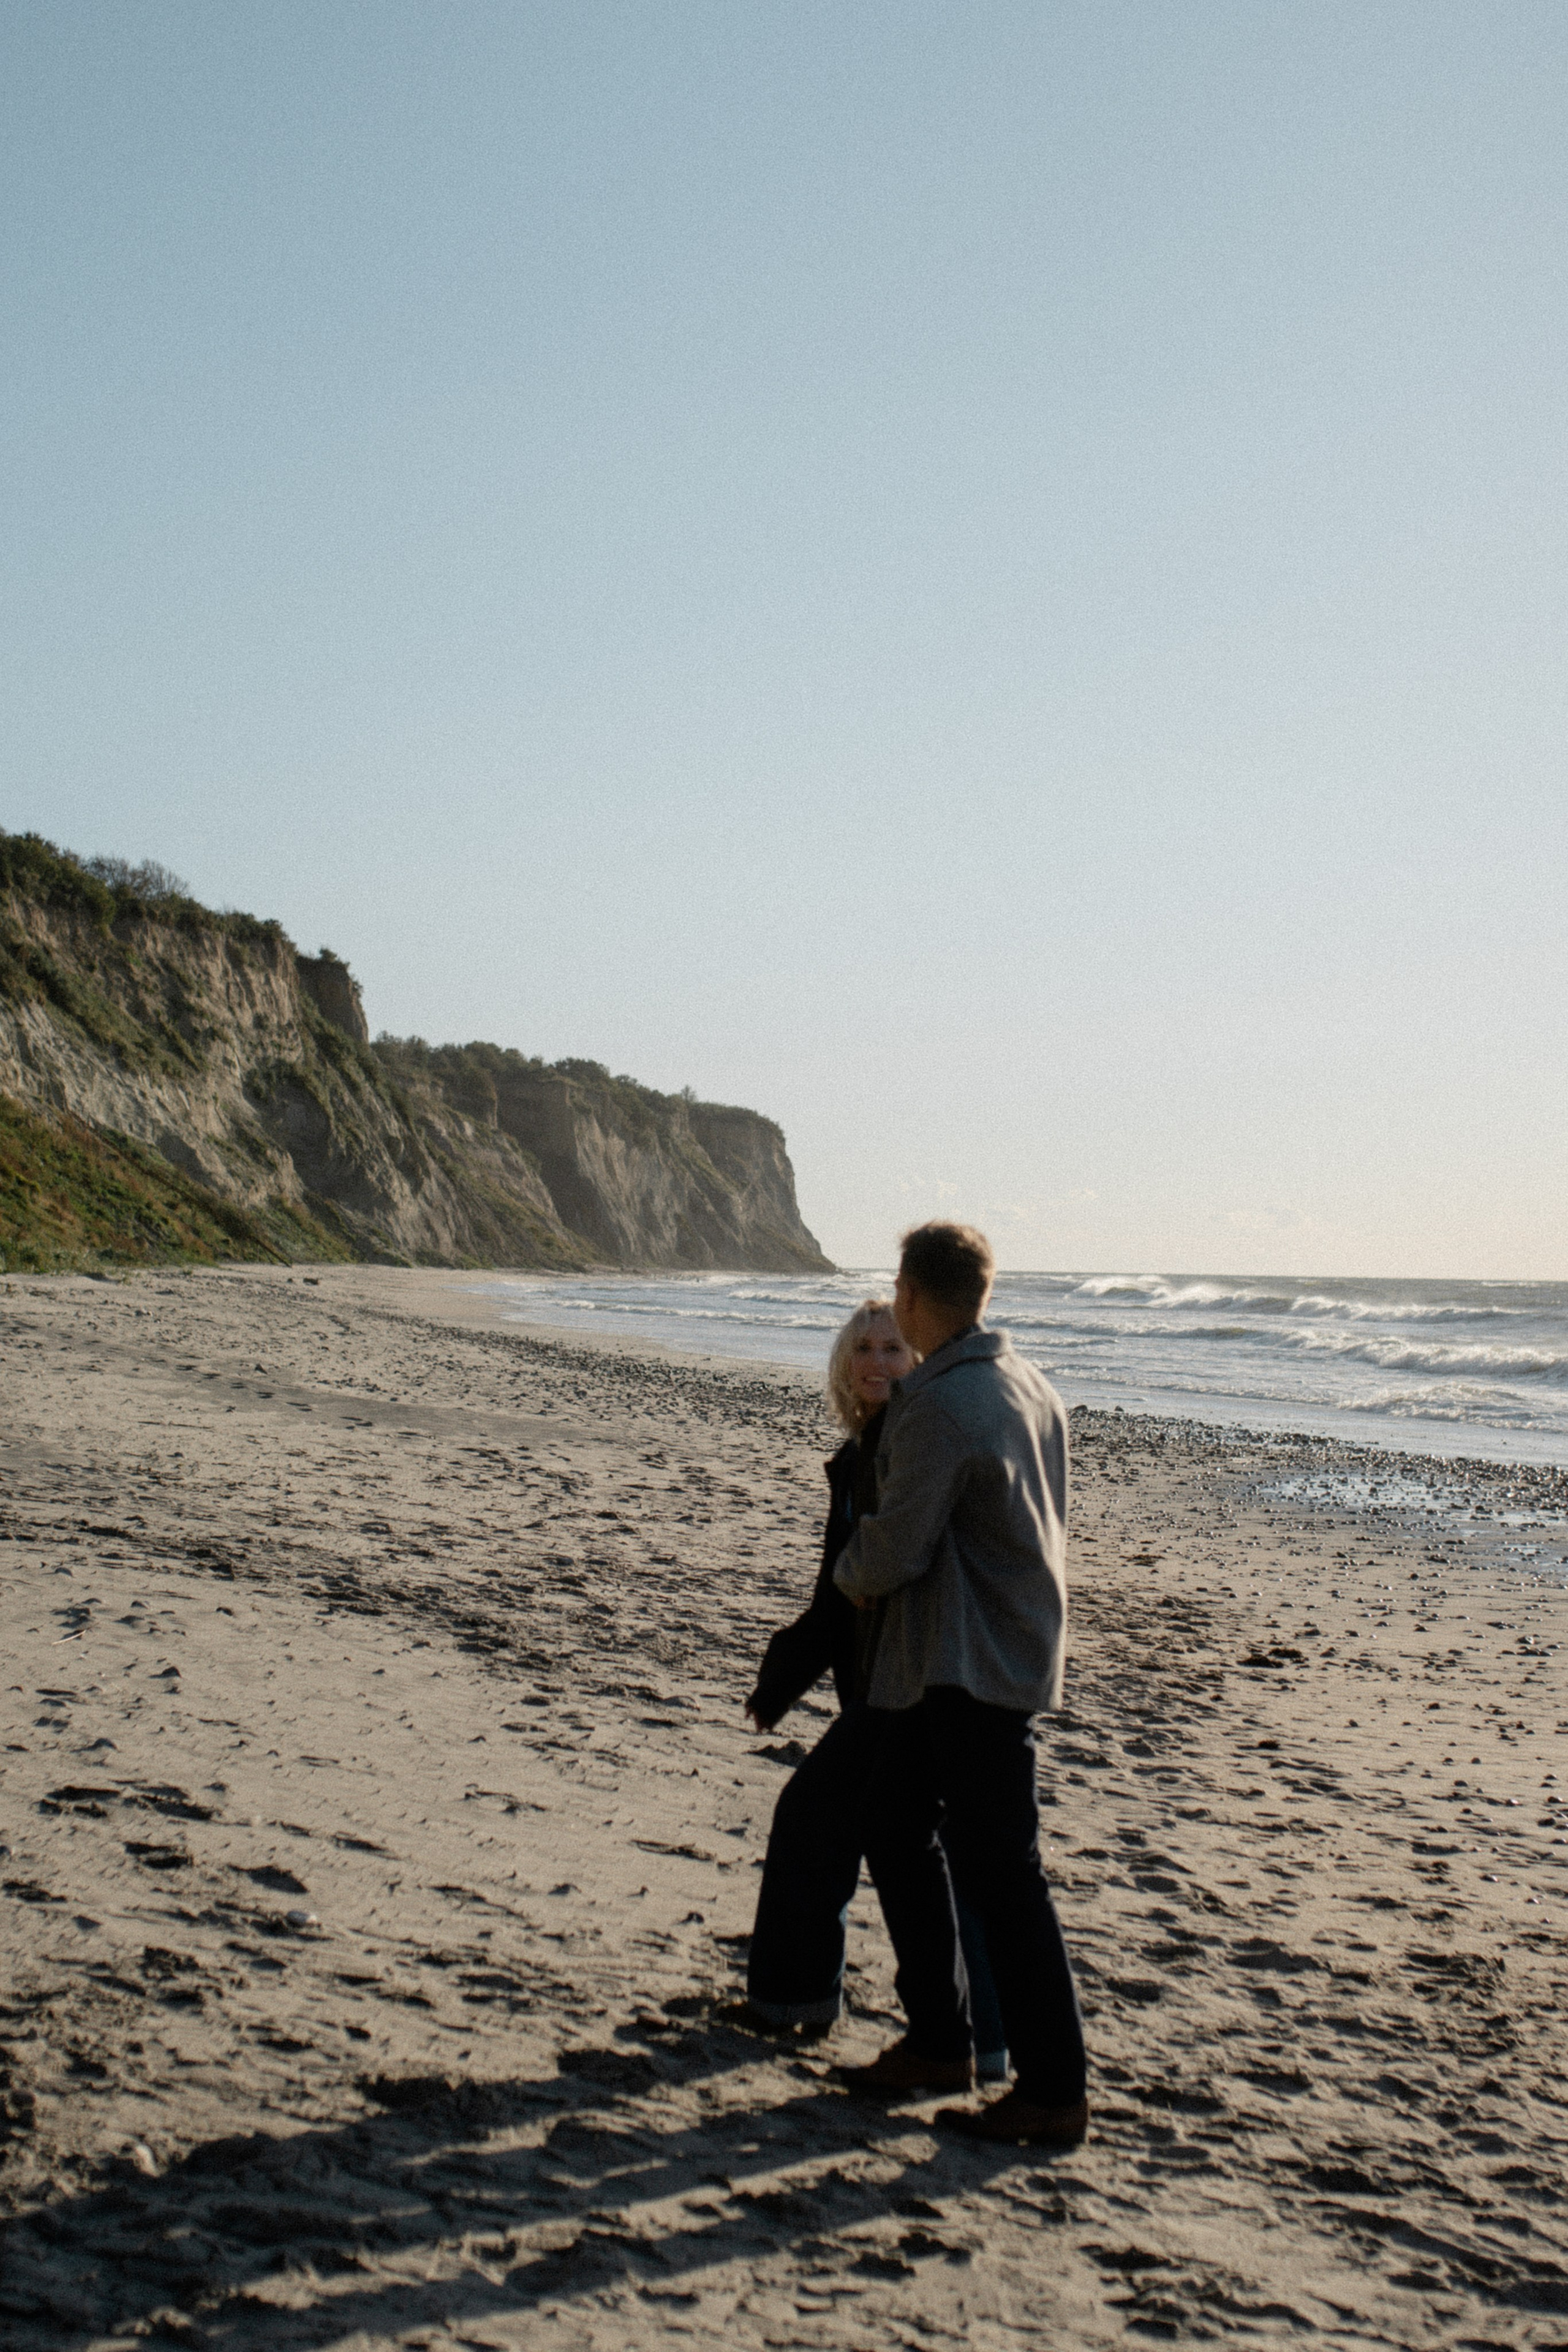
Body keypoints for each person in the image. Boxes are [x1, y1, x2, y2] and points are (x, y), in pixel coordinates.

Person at [832, 1221, 1088, 2148]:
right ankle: (939, 2039)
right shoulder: (1031, 1384)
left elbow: (900, 1546)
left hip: (963, 1664)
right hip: (991, 1655)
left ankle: (1055, 2087)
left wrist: (844, 1574)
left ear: (907, 1296)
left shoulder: (942, 1404)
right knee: (894, 1825)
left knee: (1001, 1872)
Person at [740, 1298, 1008, 2073]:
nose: (877, 1362)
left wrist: (799, 1658)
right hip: (891, 1685)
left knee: (835, 1822)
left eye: (893, 1348)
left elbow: (877, 1575)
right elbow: (836, 1596)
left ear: (919, 1360)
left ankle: (804, 2002)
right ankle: (968, 2040)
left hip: (924, 1684)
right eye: (863, 1348)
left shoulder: (914, 1440)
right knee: (914, 1845)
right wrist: (787, 1671)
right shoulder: (863, 1451)